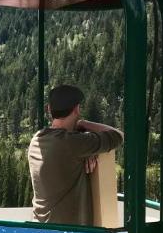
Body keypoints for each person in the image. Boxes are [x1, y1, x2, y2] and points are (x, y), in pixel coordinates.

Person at [28, 84, 123, 225]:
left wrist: (85, 152)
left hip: (41, 228)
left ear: (49, 109)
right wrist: (83, 123)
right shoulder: (73, 144)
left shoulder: (36, 140)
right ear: (76, 109)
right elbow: (118, 136)